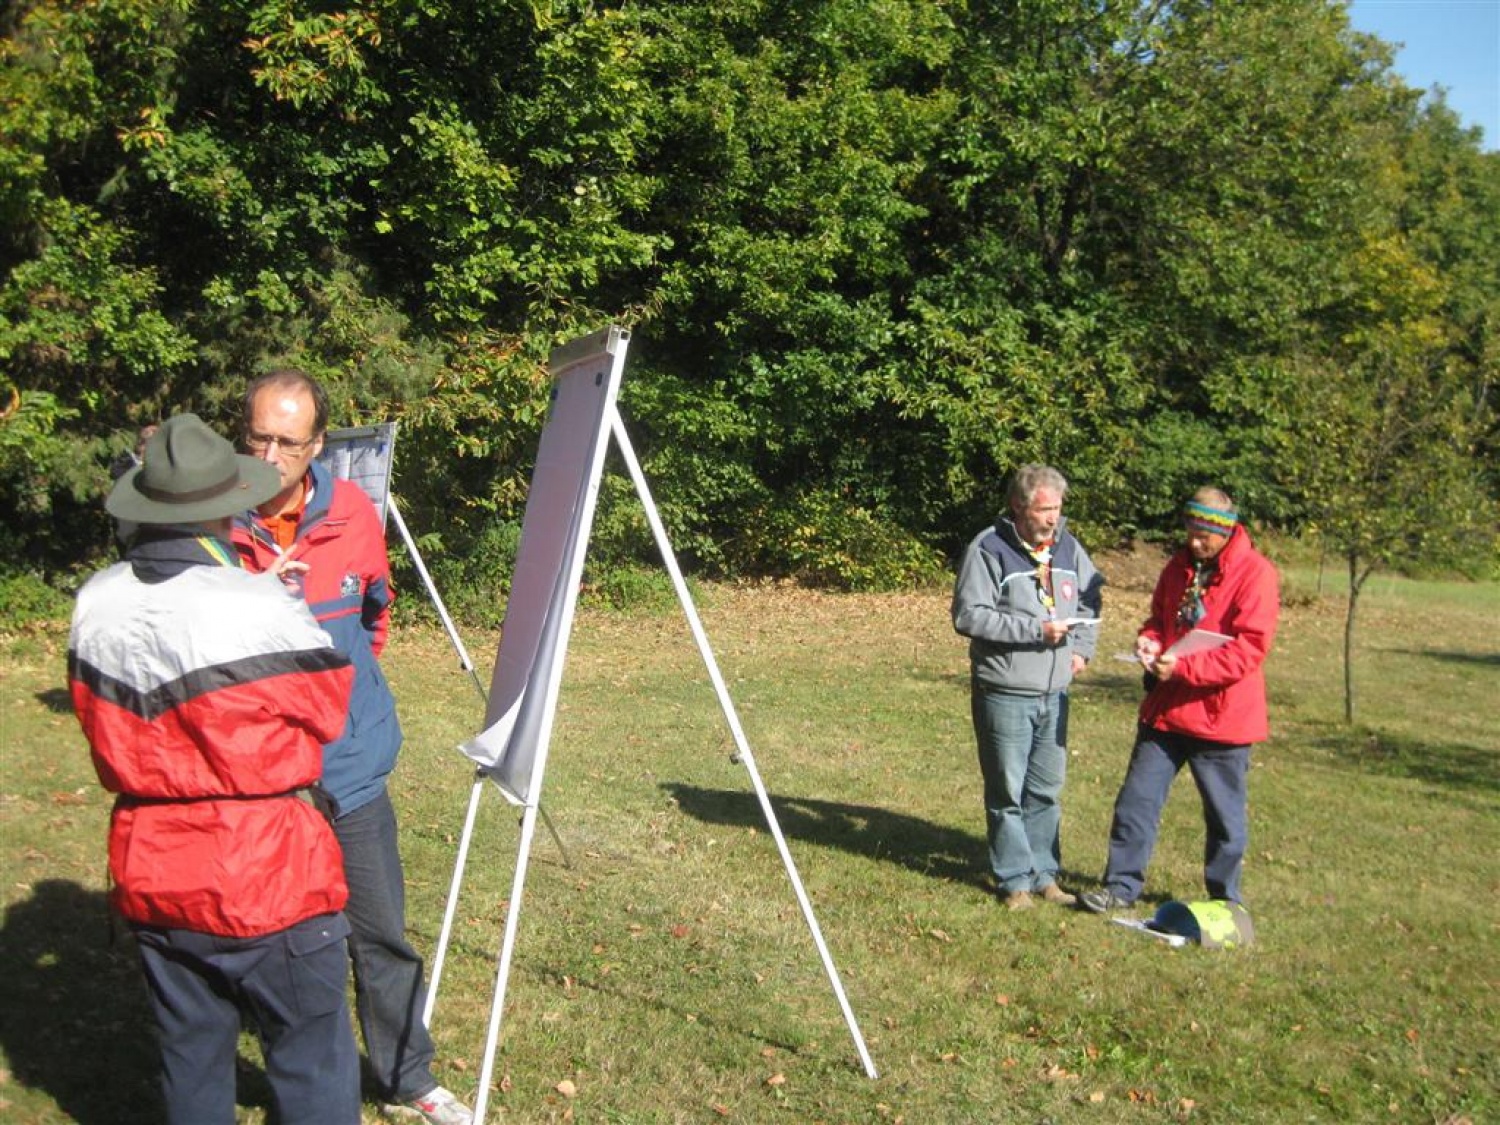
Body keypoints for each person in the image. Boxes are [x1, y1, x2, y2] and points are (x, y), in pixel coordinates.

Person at [68, 413, 361, 1124]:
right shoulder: (254, 603)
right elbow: (328, 708)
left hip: (152, 864)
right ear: (227, 504)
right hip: (264, 868)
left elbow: (93, 712)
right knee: (310, 1057)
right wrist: (275, 603)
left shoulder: (94, 600)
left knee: (190, 1055)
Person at [231, 370, 472, 1125]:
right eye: (257, 437)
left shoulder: (356, 514)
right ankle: (305, 1080)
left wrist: (349, 693)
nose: (270, 454)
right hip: (262, 780)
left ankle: (407, 1074)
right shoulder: (210, 523)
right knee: (276, 943)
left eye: (288, 442)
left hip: (350, 765)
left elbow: (374, 611)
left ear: (318, 445)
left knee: (379, 931)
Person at [1080, 488, 1280, 914]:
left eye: (1204, 536)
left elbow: (1249, 649)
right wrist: (1149, 643)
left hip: (1222, 720)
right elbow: (1158, 619)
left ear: (1225, 531)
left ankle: (1225, 900)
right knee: (1136, 801)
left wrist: (1186, 669)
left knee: (1224, 818)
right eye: (1190, 532)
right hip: (1166, 713)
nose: (1194, 542)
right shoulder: (1177, 568)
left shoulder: (1255, 574)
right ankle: (1119, 887)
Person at [952, 464, 1103, 910]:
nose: (1053, 518)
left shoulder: (1069, 548)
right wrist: (1037, 630)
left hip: (1054, 693)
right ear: (1018, 506)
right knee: (1007, 791)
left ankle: (1045, 876)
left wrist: (1082, 648)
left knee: (1045, 790)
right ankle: (1014, 880)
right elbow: (969, 616)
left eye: (1057, 508)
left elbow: (1092, 595)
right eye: (1044, 510)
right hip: (1005, 691)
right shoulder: (989, 549)